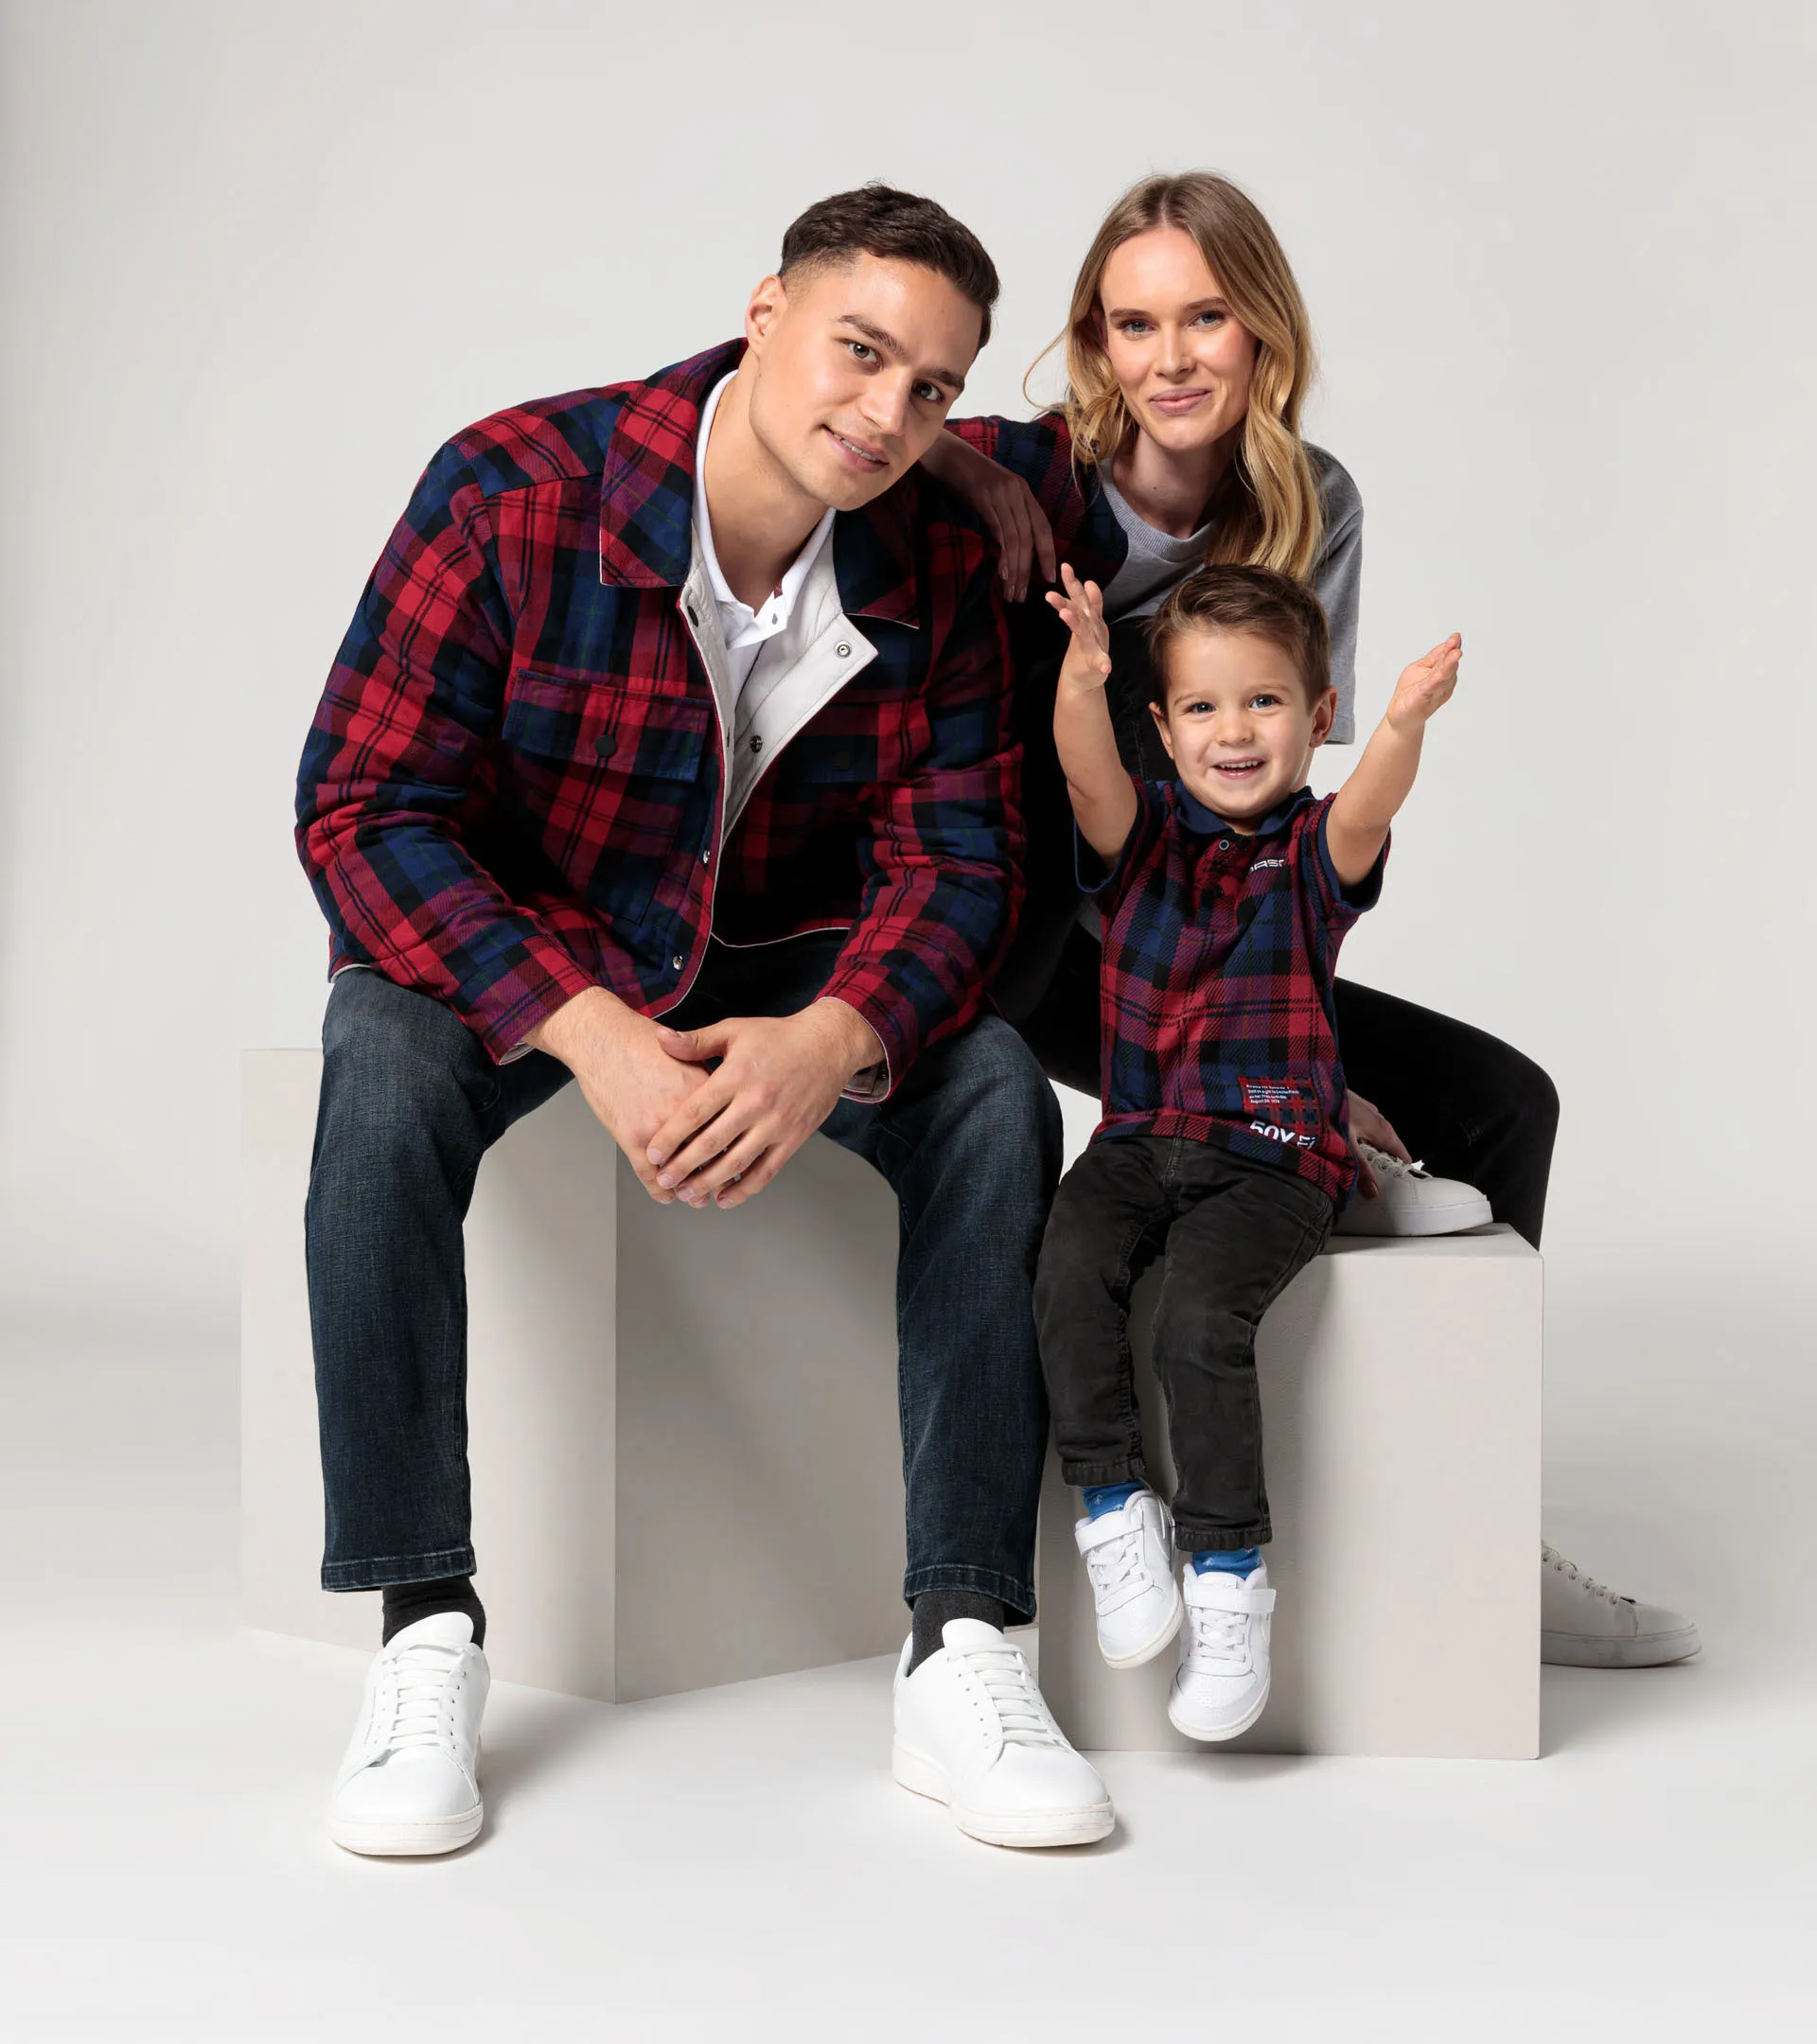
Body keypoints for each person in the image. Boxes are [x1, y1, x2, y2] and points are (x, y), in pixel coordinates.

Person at [295, 185, 1113, 1858]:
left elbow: (963, 856)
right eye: (859, 352)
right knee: (376, 1065)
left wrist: (838, 1033)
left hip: (788, 957)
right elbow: (363, 808)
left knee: (993, 1088)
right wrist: (584, 1027)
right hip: (536, 947)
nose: (885, 414)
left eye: (932, 389)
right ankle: (422, 1631)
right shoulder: (509, 491)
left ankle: (963, 1639)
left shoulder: (940, 548)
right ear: (764, 312)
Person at [922, 170, 1700, 1669]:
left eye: (1206, 316)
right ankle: (1103, 1513)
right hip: (1017, 933)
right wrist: (972, 468)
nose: (1172, 358)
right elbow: (843, 411)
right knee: (1102, 771)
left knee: (1500, 1105)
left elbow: (1267, 830)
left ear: (1263, 329)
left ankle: (1481, 1523)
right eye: (1134, 323)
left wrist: (1287, 1065)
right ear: (1093, 343)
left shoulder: (1309, 502)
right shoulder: (1033, 478)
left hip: (1193, 946)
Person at [1034, 560, 1458, 1736]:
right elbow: (1085, 770)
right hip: (1137, 1139)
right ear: (1164, 728)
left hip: (1273, 1153)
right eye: (1204, 707)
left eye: (1265, 702)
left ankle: (1227, 1578)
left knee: (1198, 1324)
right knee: (1067, 1267)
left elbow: (1370, 806)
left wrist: (1402, 724)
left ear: (1316, 718)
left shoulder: (1314, 855)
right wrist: (1081, 680)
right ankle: (1114, 1506)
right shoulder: (1139, 841)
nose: (1234, 732)